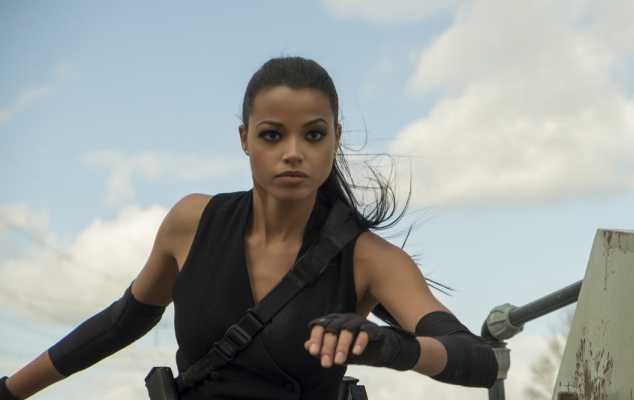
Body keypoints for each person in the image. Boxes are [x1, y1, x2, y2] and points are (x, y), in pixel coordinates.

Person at [0, 57, 506, 400]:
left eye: (313, 134)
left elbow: (484, 361)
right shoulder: (191, 222)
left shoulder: (369, 259)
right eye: (272, 135)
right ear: (245, 139)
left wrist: (391, 347)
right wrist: (9, 390)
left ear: (336, 138)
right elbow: (122, 322)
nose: (293, 152)